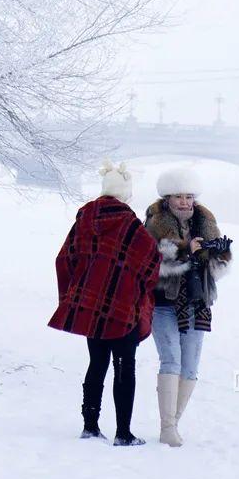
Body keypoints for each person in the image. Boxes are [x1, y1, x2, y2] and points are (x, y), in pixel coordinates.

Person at [48, 159, 160, 447]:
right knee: (125, 367)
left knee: (96, 363)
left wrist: (75, 294)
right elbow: (150, 265)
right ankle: (123, 433)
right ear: (126, 193)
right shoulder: (132, 226)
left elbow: (64, 259)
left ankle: (90, 426)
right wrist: (138, 294)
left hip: (91, 307)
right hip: (123, 309)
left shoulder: (84, 219)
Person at [144, 166, 233, 447]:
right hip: (164, 302)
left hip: (197, 302)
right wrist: (187, 251)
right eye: (178, 196)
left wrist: (215, 253)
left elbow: (221, 267)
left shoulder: (206, 222)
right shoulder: (154, 224)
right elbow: (152, 263)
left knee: (191, 367)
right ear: (167, 198)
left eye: (188, 196)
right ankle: (167, 427)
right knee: (171, 360)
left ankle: (174, 422)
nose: (184, 202)